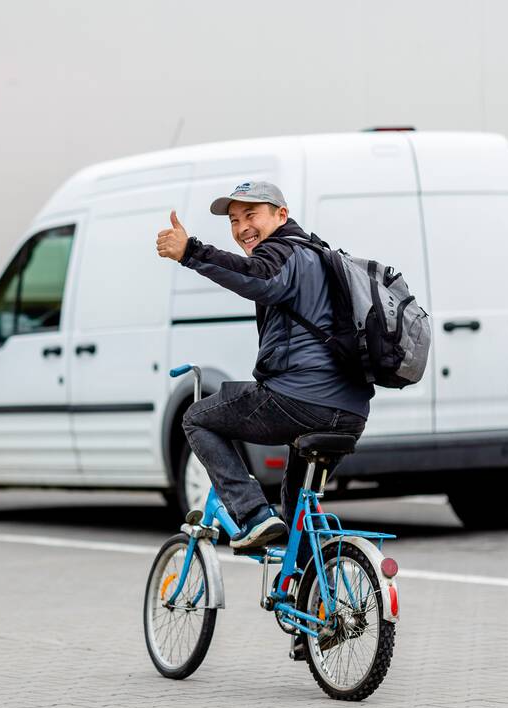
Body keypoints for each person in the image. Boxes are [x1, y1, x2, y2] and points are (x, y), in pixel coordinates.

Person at [155, 181, 374, 554]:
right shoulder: (317, 254)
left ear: (281, 215)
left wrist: (190, 252)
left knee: (197, 417)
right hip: (349, 411)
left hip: (300, 400)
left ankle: (253, 513)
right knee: (296, 518)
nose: (242, 228)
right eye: (234, 220)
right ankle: (312, 596)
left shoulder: (285, 253)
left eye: (251, 215)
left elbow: (258, 277)